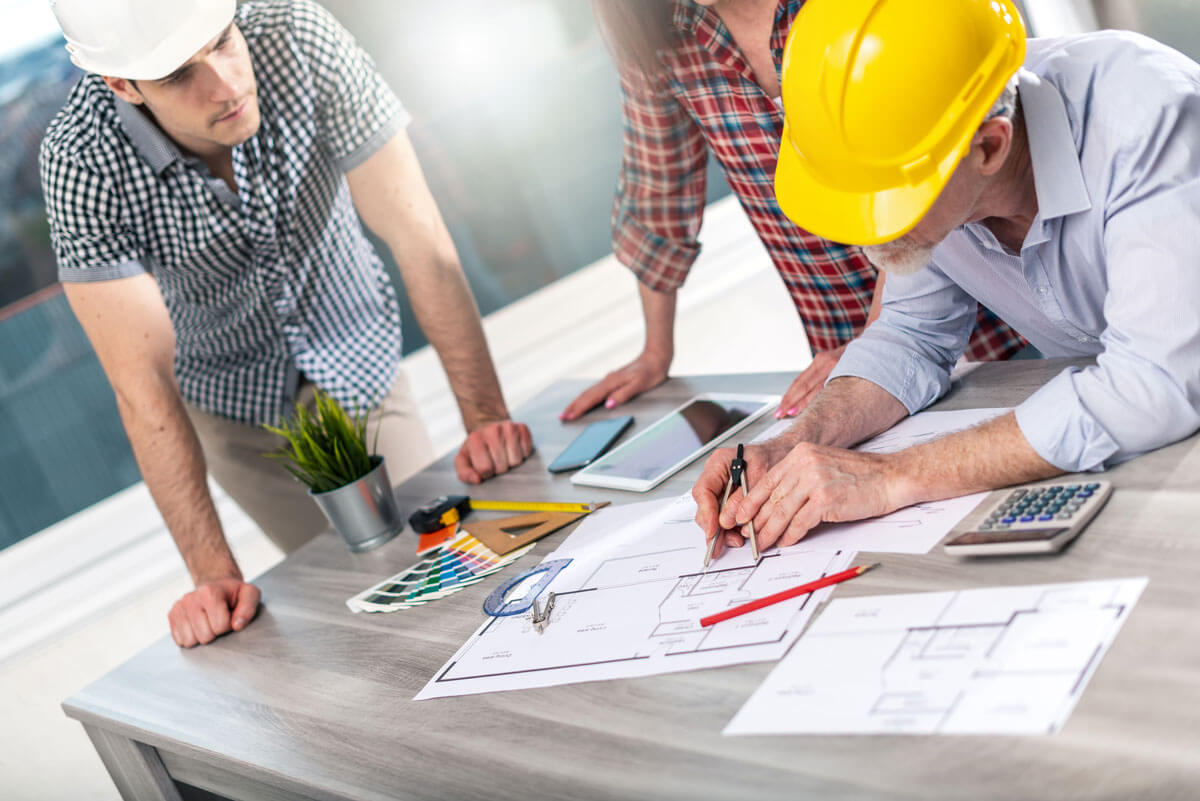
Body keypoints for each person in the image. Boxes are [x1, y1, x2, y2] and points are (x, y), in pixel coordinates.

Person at [41, 0, 534, 647]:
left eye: (221, 40)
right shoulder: (81, 158)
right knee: (357, 618)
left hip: (354, 353)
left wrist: (486, 417)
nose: (223, 84)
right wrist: (211, 575)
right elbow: (142, 384)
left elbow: (420, 238)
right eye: (178, 75)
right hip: (233, 408)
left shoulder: (299, 36)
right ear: (123, 86)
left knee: (448, 576)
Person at [694, 0, 1200, 556]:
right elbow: (909, 336)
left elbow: (1151, 384)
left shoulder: (1146, 115)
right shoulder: (931, 147)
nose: (867, 234)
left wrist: (889, 476)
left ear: (990, 146)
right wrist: (790, 446)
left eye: (885, 202)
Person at [561, 0, 1024, 423]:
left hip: (993, 321)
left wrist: (880, 339)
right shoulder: (660, 33)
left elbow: (893, 184)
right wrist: (655, 352)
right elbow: (659, 190)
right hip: (841, 344)